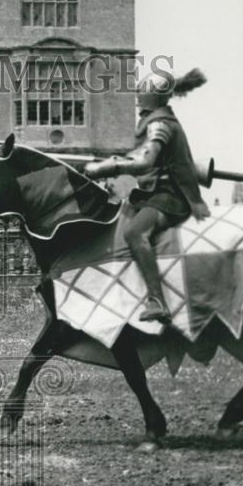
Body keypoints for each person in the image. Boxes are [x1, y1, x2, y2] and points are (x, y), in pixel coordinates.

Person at [84, 68, 211, 323]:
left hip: (169, 197)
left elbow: (145, 161)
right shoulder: (158, 120)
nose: (136, 98)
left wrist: (105, 167)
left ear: (151, 96)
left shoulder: (159, 124)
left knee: (134, 233)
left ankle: (157, 301)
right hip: (152, 194)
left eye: (140, 93)